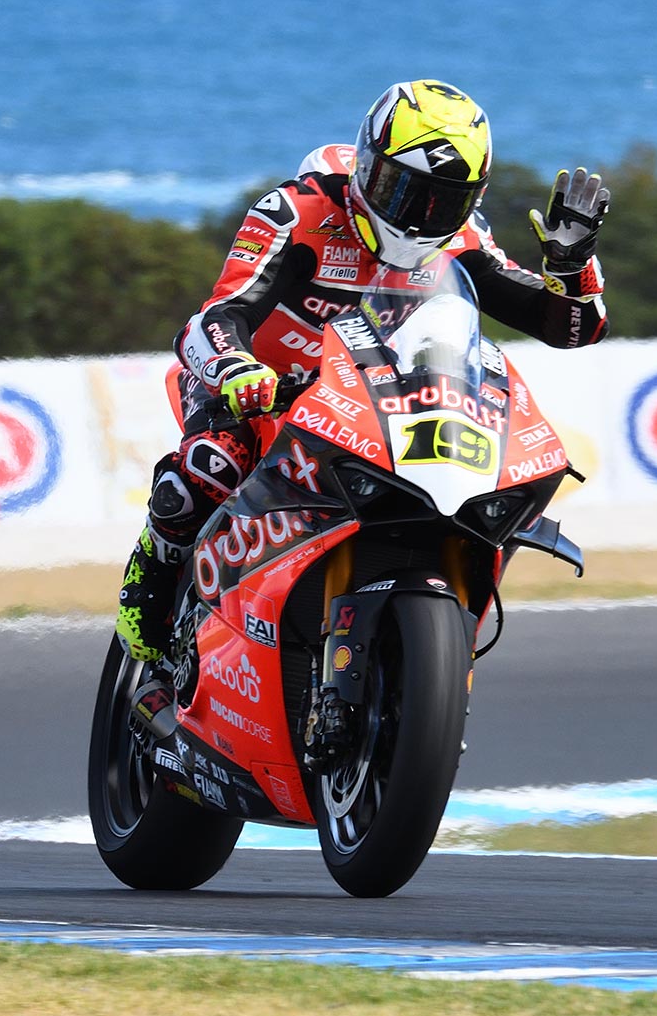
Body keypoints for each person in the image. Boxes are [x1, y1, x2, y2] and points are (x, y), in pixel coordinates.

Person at [117, 79, 612, 717]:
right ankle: (148, 613)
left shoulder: (464, 243)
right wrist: (237, 367)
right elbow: (217, 316)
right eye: (401, 191)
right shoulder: (295, 212)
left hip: (366, 405)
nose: (416, 215)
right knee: (209, 466)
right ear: (367, 165)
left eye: (440, 203)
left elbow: (568, 328)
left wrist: (572, 267)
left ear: (471, 202)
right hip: (258, 389)